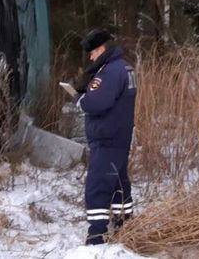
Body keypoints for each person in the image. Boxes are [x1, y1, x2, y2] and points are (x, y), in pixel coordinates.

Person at [75, 29, 137, 245]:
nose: (91, 58)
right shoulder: (124, 67)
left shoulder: (109, 72)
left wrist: (81, 100)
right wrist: (89, 91)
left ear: (100, 50)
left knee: (97, 185)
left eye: (92, 54)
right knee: (119, 183)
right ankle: (124, 224)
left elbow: (96, 104)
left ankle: (96, 235)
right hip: (119, 137)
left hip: (107, 138)